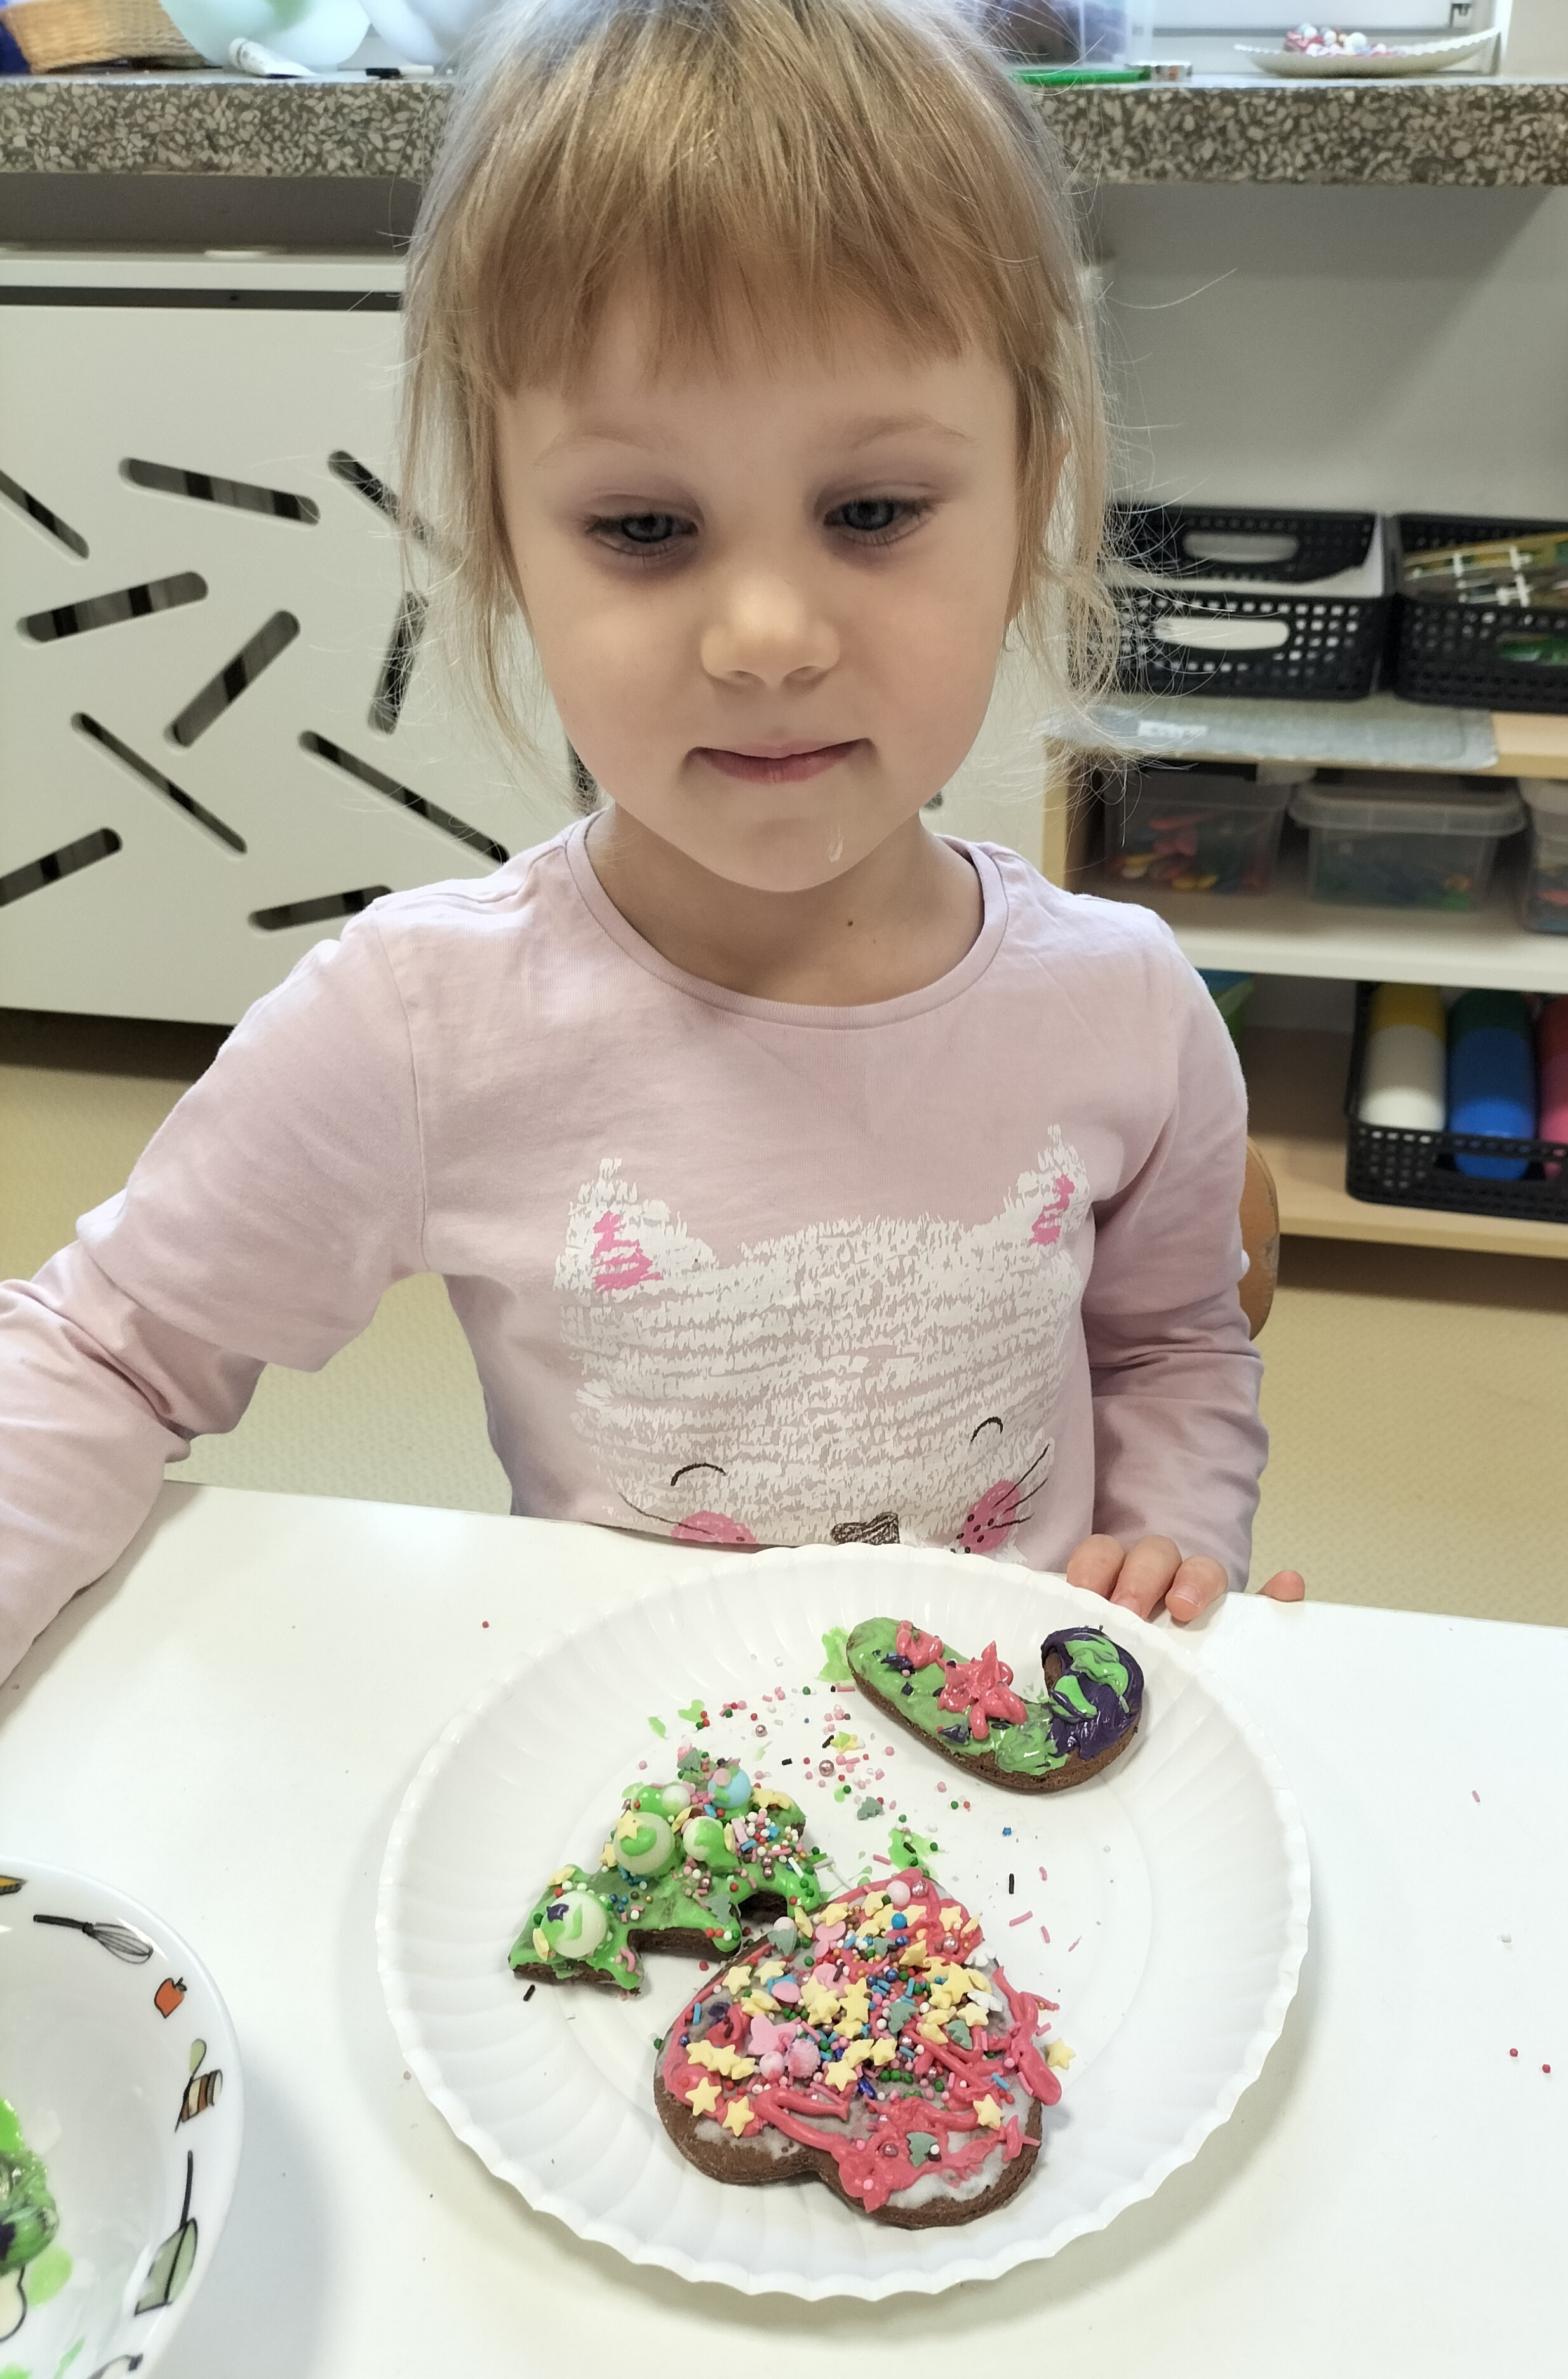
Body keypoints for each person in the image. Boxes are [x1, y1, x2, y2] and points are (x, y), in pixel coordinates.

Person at [0, 0, 1302, 1683]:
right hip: (633, 1770)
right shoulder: (422, 1020)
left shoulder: (1126, 1004)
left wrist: (1178, 1545)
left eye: (872, 512)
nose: (766, 636)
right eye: (643, 526)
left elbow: (1175, 1345)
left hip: (1009, 1768)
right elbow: (105, 1350)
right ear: (500, 534)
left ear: (1033, 491)